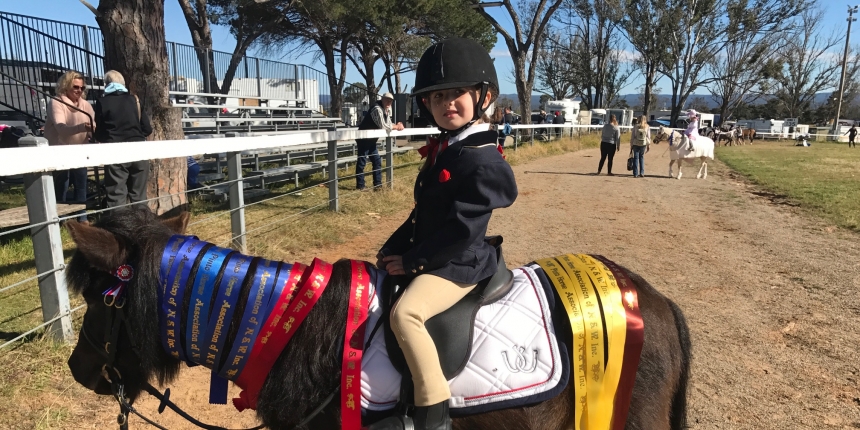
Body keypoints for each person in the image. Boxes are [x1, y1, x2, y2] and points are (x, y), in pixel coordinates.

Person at [372, 38, 518, 430]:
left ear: (483, 96)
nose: (446, 103)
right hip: (438, 249)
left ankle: (434, 411)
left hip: (458, 261)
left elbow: (460, 230)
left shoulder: (481, 157)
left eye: (457, 94)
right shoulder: (449, 147)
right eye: (437, 97)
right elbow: (425, 214)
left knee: (406, 315)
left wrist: (413, 260)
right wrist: (394, 246)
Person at [94, 70, 153, 208]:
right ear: (123, 84)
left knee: (116, 196)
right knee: (139, 197)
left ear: (106, 84)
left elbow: (100, 133)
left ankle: (119, 228)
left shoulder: (102, 102)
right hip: (139, 150)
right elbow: (147, 129)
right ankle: (144, 226)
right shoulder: (135, 100)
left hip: (115, 152)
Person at [45, 70, 95, 220]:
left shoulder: (86, 105)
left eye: (82, 88)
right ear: (66, 86)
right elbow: (61, 129)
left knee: (81, 184)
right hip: (60, 150)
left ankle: (82, 218)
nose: (79, 91)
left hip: (80, 150)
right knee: (62, 185)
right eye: (75, 87)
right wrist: (82, 127)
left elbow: (93, 125)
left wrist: (92, 131)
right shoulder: (56, 102)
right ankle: (59, 218)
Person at [355, 92, 404, 190]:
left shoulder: (385, 110)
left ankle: (377, 185)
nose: (389, 102)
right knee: (362, 162)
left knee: (377, 161)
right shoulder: (377, 109)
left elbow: (389, 123)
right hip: (364, 139)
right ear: (382, 99)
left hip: (371, 140)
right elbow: (384, 126)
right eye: (387, 100)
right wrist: (397, 126)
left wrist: (397, 125)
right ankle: (360, 186)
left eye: (390, 101)